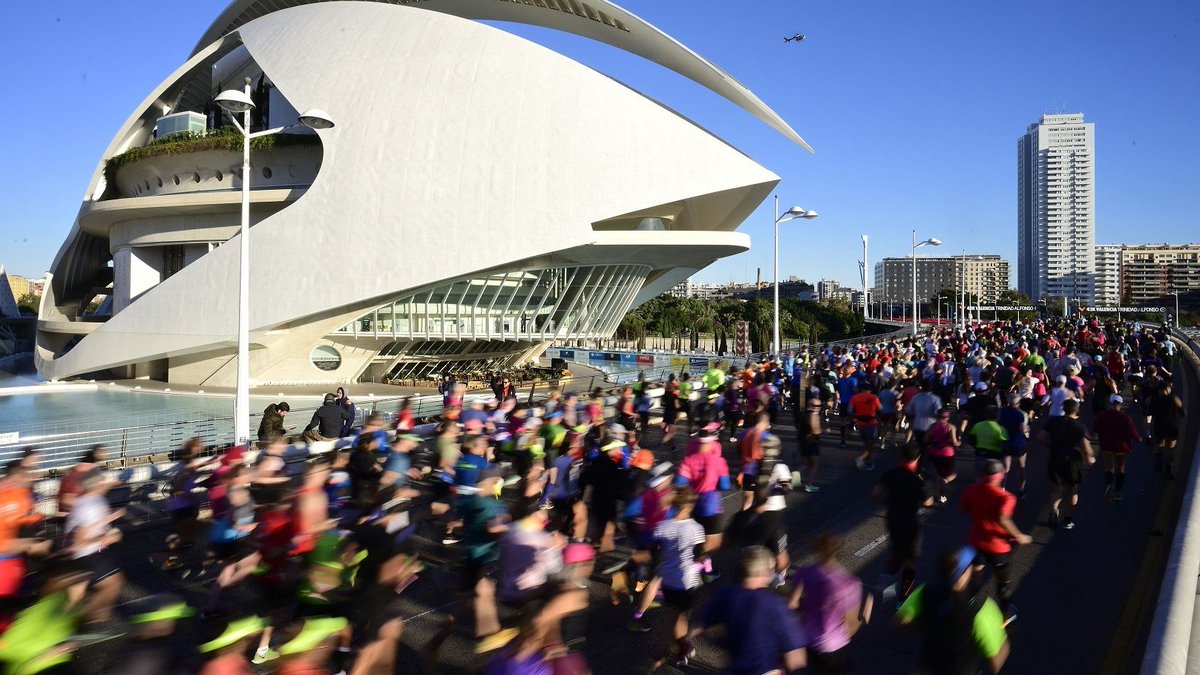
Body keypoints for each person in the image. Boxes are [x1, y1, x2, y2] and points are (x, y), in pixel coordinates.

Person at [896, 547, 1011, 675]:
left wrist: (926, 622)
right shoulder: (982, 608)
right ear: (962, 575)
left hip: (928, 668)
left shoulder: (924, 592)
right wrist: (1001, 634)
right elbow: (996, 662)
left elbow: (899, 622)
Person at [701, 546, 808, 675]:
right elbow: (795, 658)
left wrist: (722, 642)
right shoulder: (775, 606)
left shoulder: (724, 595)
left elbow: (700, 625)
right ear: (762, 574)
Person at [788, 534, 872, 673]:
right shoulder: (849, 584)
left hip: (807, 639)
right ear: (838, 553)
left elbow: (792, 604)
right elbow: (850, 627)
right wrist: (865, 616)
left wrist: (810, 604)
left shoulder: (803, 572)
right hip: (833, 646)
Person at [960, 459, 1031, 620]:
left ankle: (971, 602)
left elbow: (963, 507)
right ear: (1001, 476)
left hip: (976, 541)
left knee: (976, 573)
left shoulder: (972, 489)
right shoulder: (1006, 498)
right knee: (1002, 583)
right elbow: (1003, 518)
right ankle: (1006, 612)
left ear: (982, 475)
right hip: (998, 548)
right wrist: (1019, 536)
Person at [646, 487, 706, 666]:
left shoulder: (663, 526)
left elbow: (653, 551)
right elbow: (700, 555)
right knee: (678, 618)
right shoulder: (696, 528)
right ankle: (669, 652)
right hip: (686, 580)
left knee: (675, 615)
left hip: (668, 579)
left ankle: (681, 647)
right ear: (688, 505)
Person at [874, 443, 931, 600]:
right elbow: (928, 502)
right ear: (918, 458)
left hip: (892, 518)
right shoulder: (917, 480)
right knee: (911, 560)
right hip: (911, 522)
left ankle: (888, 578)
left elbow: (875, 494)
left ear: (901, 457)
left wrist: (888, 502)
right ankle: (902, 597)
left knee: (898, 551)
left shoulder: (890, 474)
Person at [1042, 399, 1094, 529]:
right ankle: (1067, 520)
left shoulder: (1053, 422)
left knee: (1056, 488)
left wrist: (1051, 446)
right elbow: (1086, 448)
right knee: (1072, 490)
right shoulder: (1080, 426)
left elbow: (1039, 436)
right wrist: (1090, 459)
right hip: (1073, 461)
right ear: (1077, 410)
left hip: (1056, 457)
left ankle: (1054, 509)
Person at [1093, 394, 1142, 501]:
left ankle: (1109, 483)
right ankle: (1118, 492)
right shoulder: (1125, 418)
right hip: (1121, 447)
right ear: (1121, 404)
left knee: (1108, 467)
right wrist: (1139, 439)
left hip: (1106, 445)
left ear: (1110, 403)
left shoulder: (1101, 416)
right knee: (1120, 468)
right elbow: (1132, 432)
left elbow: (1096, 429)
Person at [997, 393, 1030, 497]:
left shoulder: (1001, 412)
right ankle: (1021, 489)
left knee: (1005, 469)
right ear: (1018, 403)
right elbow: (1023, 429)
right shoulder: (1021, 414)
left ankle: (1002, 489)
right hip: (1018, 443)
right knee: (1021, 467)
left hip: (1006, 442)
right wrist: (1027, 430)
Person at [1150, 382, 1184, 478]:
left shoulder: (1153, 399)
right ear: (1167, 389)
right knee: (1171, 449)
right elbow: (1182, 412)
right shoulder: (1173, 399)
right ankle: (1168, 469)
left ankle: (1159, 458)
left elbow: (1149, 411)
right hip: (1171, 427)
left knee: (1160, 444)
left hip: (1158, 426)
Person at [848, 382, 882, 471]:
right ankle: (861, 458)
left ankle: (868, 463)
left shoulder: (855, 398)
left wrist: (856, 416)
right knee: (871, 445)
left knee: (866, 444)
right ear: (869, 390)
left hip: (860, 423)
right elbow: (881, 409)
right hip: (871, 423)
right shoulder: (874, 397)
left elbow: (850, 410)